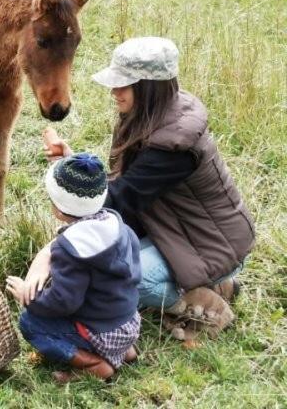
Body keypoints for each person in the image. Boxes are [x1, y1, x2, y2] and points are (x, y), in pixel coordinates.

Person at [39, 37, 255, 319]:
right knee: (101, 262)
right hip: (174, 229)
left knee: (122, 277)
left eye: (124, 84)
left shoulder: (174, 147)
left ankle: (198, 306)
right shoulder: (151, 114)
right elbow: (126, 186)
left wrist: (65, 180)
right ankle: (214, 284)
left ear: (149, 87)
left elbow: (120, 199)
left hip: (209, 243)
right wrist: (71, 163)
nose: (115, 91)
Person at [7, 153, 141, 383]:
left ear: (60, 209)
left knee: (30, 323)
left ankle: (95, 364)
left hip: (102, 330)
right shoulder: (116, 223)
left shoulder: (71, 252)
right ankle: (124, 352)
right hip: (128, 321)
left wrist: (30, 299)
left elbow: (64, 301)